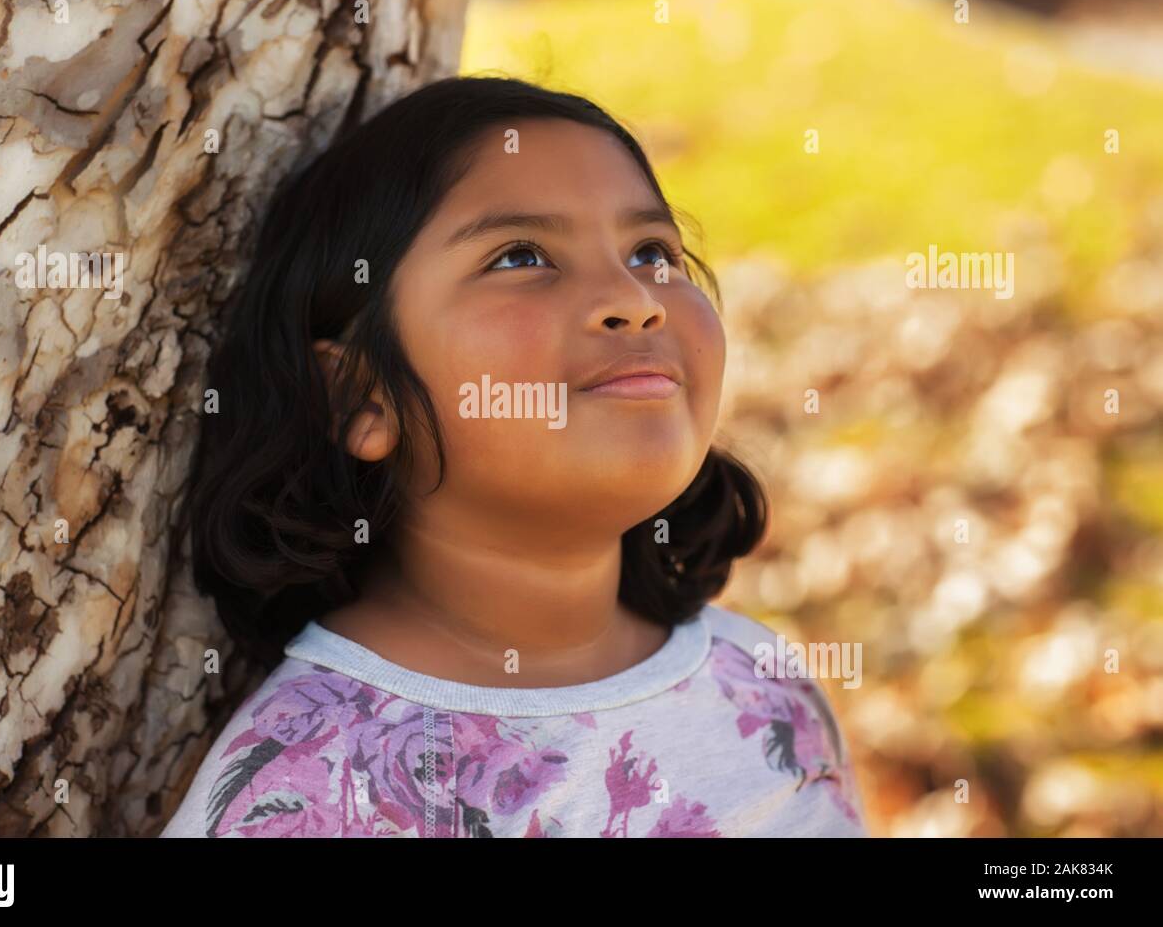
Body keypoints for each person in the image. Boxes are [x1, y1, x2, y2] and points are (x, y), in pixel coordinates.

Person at [160, 75, 867, 837]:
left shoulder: (758, 680)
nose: (635, 297)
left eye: (654, 250)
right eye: (520, 255)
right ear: (360, 398)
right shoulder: (312, 789)